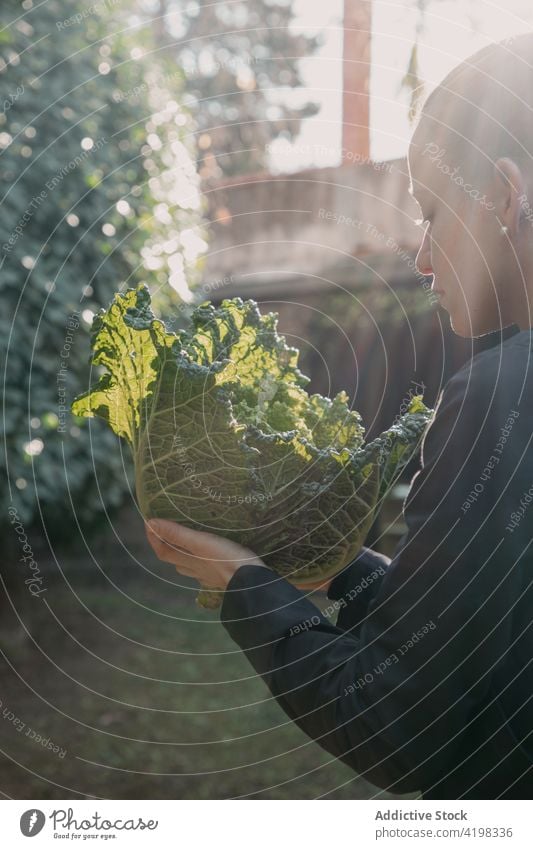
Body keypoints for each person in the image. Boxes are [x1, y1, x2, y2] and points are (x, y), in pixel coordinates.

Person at [146, 35, 533, 799]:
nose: (421, 257)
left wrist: (241, 584)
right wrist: (338, 568)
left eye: (430, 212)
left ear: (500, 194)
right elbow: (480, 651)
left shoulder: (499, 394)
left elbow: (396, 726)